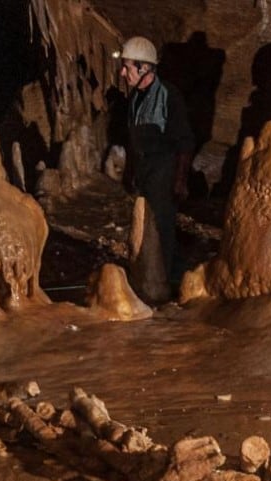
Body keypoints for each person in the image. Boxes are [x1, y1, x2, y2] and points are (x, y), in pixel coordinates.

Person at [114, 36, 195, 291]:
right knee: (143, 225)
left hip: (164, 168)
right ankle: (144, 276)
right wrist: (129, 171)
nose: (123, 72)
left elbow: (185, 142)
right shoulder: (135, 99)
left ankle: (164, 283)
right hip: (143, 168)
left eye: (127, 66)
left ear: (145, 68)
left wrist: (180, 180)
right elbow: (131, 139)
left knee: (162, 225)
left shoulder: (169, 96)